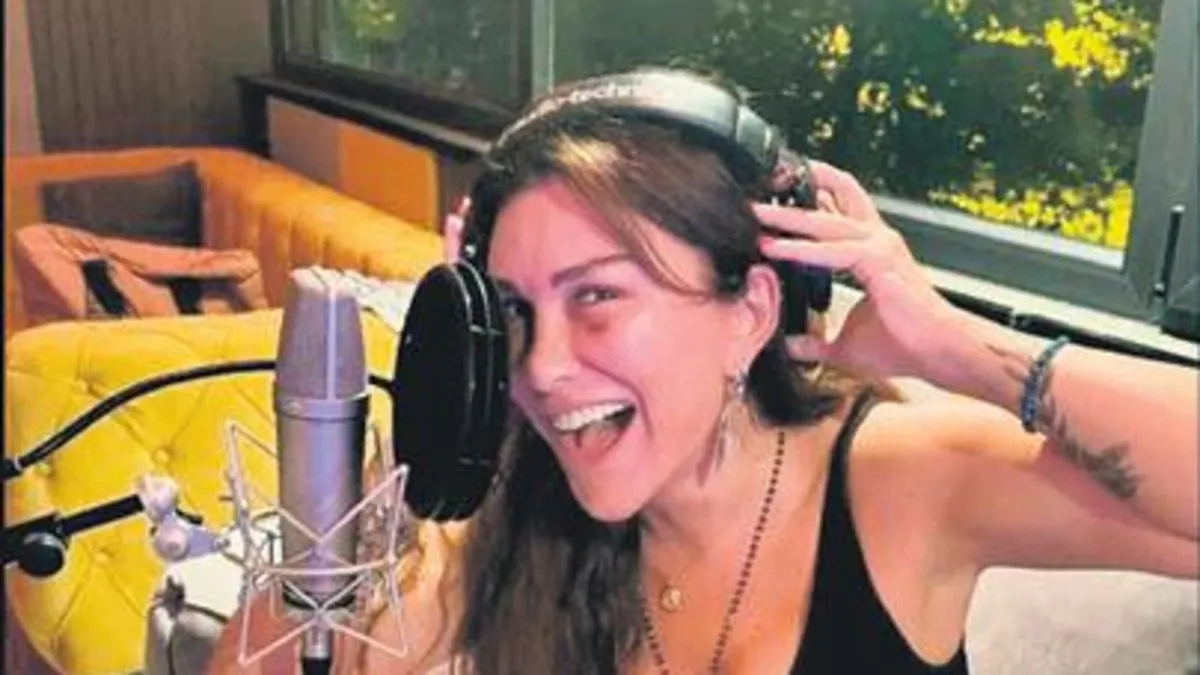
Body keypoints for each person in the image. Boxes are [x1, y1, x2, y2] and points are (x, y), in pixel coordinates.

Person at [209, 73, 1198, 675]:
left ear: (753, 313)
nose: (543, 366)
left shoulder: (894, 480)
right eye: (514, 315)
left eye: (598, 296)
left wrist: (955, 347)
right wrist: (445, 412)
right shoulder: (520, 514)